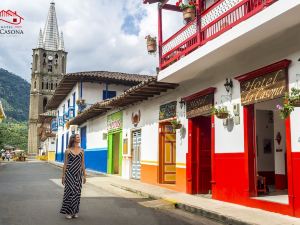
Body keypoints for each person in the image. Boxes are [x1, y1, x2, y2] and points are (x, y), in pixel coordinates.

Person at [60, 134, 86, 219]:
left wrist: (84, 175)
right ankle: (68, 212)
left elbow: (82, 163)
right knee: (69, 192)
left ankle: (74, 211)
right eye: (78, 137)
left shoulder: (82, 150)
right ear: (73, 139)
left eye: (79, 137)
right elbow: (65, 164)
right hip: (69, 174)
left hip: (78, 174)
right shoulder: (67, 150)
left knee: (77, 193)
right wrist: (63, 176)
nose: (79, 138)